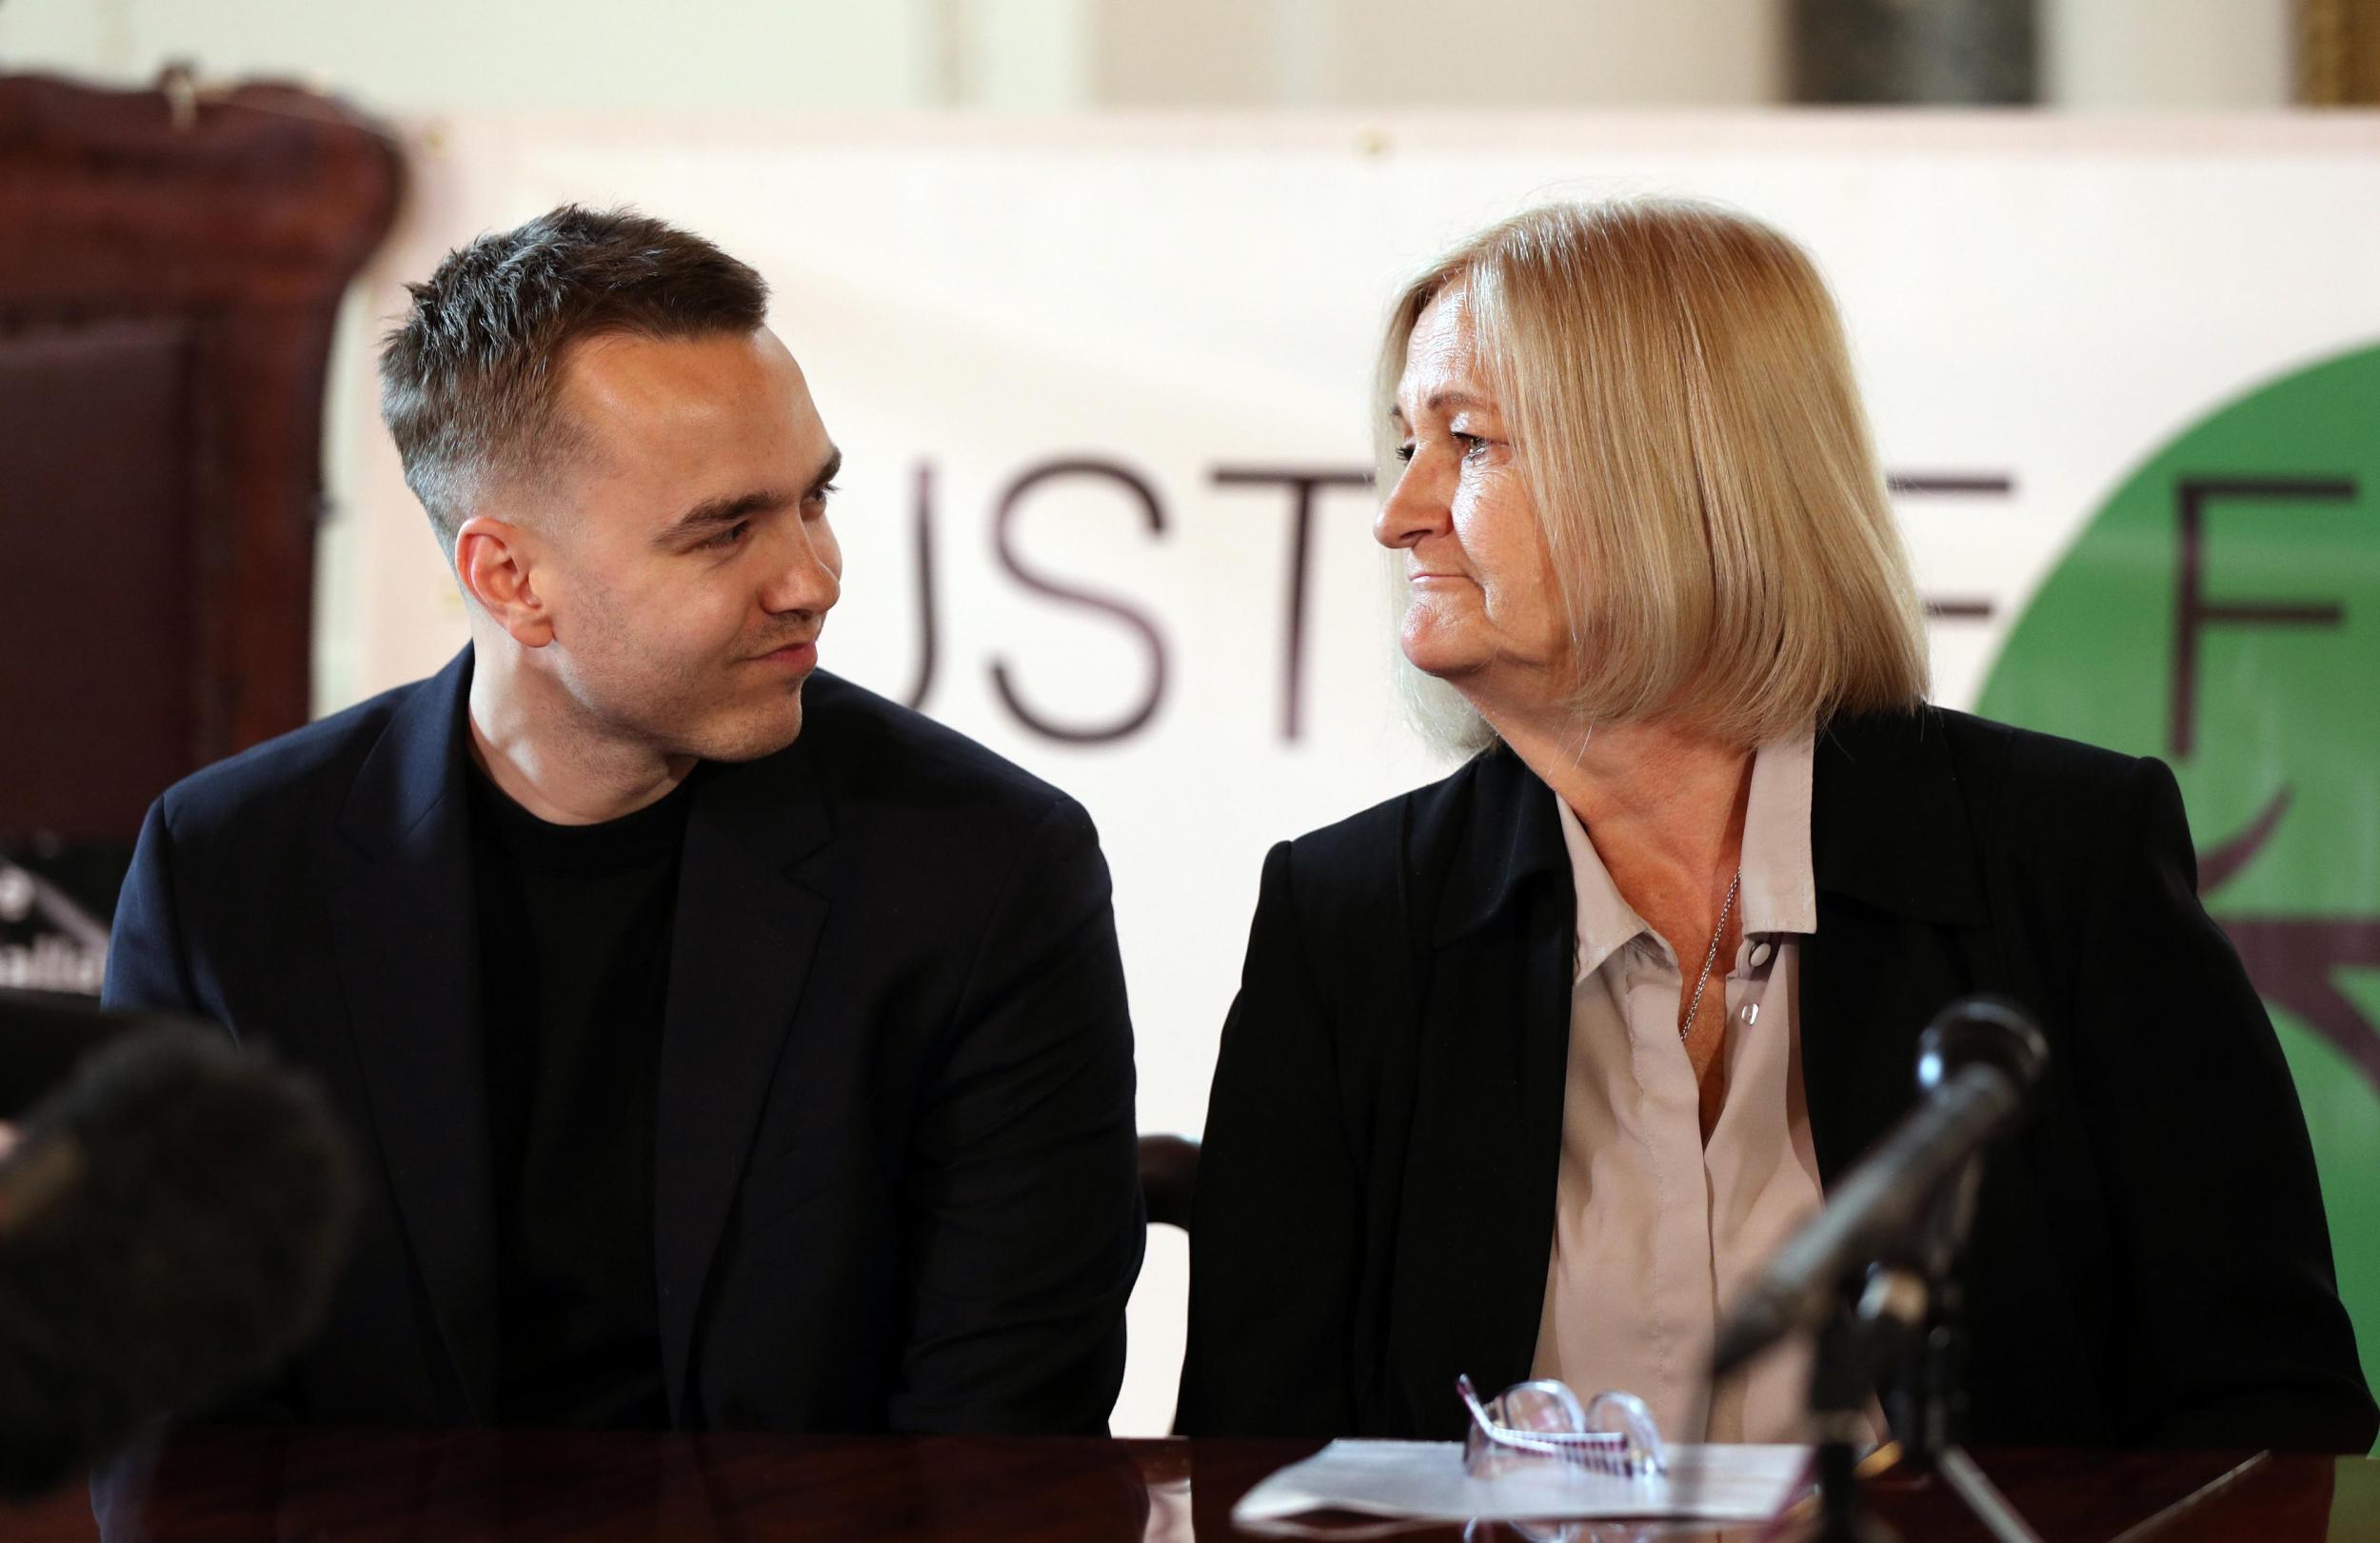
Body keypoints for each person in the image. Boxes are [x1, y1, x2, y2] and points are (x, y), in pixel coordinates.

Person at [1175, 198, 2376, 1452]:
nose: (1397, 509)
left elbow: (2272, 1422)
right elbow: (1248, 1458)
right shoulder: (1350, 918)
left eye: (1468, 442)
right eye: (1405, 442)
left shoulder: (2064, 859)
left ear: (1671, 471)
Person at [103, 206, 1142, 1435]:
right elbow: (176, 1423)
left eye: (816, 498)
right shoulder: (228, 867)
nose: (813, 573)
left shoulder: (986, 868)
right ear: (509, 579)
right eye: (726, 530)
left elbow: (1000, 1434)